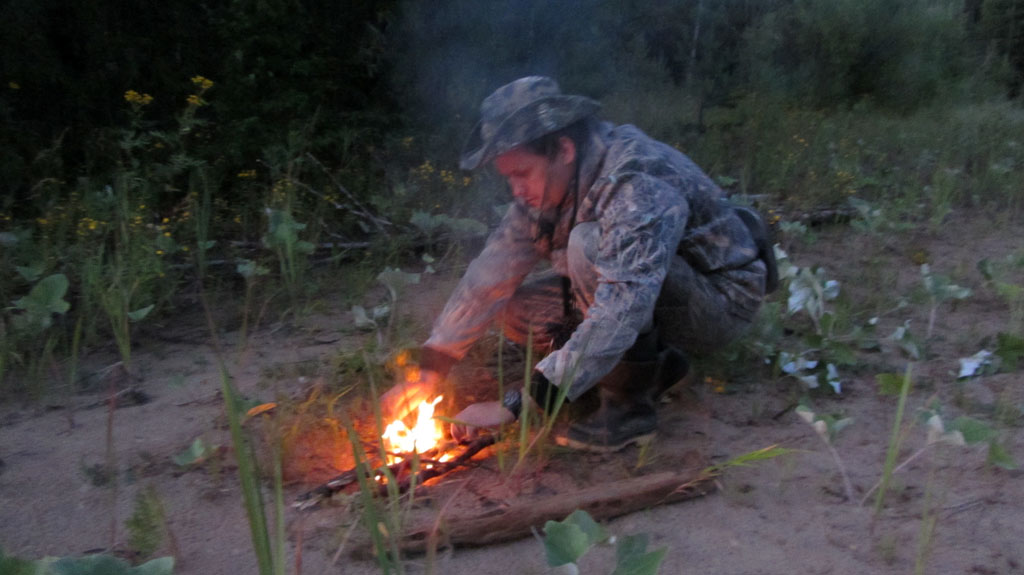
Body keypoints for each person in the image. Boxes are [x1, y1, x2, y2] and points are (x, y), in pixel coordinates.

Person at [382, 76, 776, 452]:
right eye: (508, 178)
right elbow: (490, 276)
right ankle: (657, 366)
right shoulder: (547, 189)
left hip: (720, 302)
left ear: (564, 150)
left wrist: (517, 405)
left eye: (522, 173)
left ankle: (629, 409)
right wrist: (431, 370)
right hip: (655, 292)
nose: (516, 190)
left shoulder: (635, 179)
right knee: (517, 311)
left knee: (588, 244)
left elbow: (624, 305)